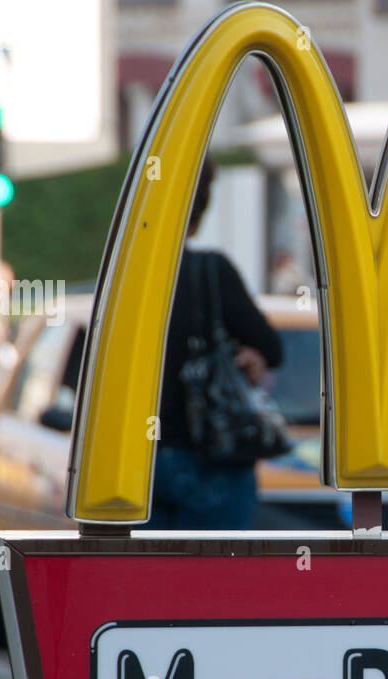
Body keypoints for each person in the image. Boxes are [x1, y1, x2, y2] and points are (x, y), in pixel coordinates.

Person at [145, 156, 284, 531]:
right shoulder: (211, 271)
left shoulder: (128, 276)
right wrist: (247, 354)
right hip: (211, 456)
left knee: (145, 585)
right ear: (202, 205)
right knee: (212, 583)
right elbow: (272, 349)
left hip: (138, 464)